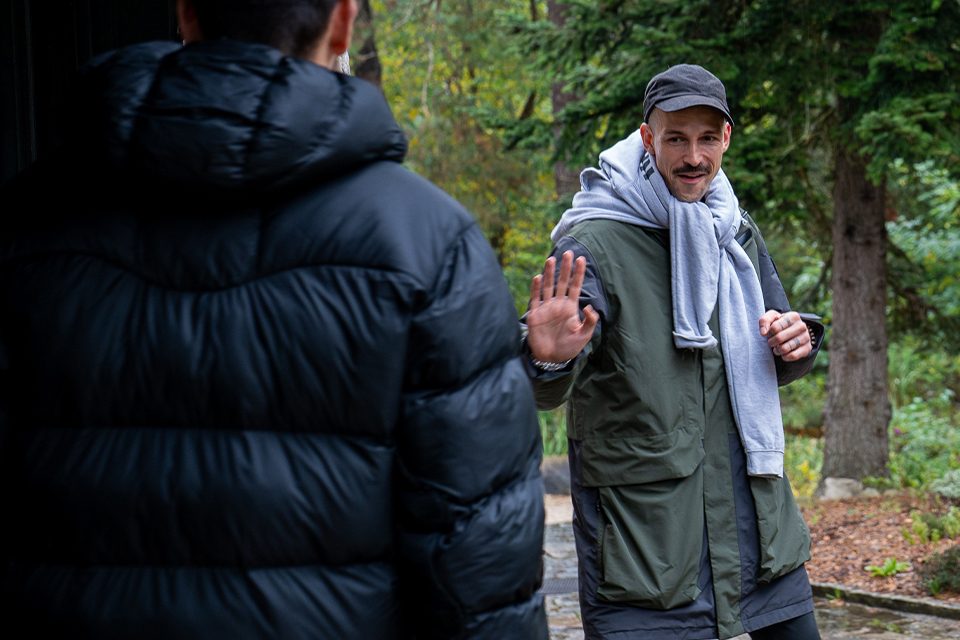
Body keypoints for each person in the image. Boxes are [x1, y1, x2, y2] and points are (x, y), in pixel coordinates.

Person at [0, 1, 547, 637]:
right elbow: (477, 562)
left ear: (186, 15)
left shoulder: (25, 227)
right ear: (342, 21)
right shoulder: (427, 242)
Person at [524, 64, 825, 640]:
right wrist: (549, 356)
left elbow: (777, 341)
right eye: (676, 138)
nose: (694, 156)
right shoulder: (595, 242)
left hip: (758, 536)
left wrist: (796, 342)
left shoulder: (735, 231)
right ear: (647, 138)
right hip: (648, 553)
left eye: (708, 138)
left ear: (726, 139)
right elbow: (545, 381)